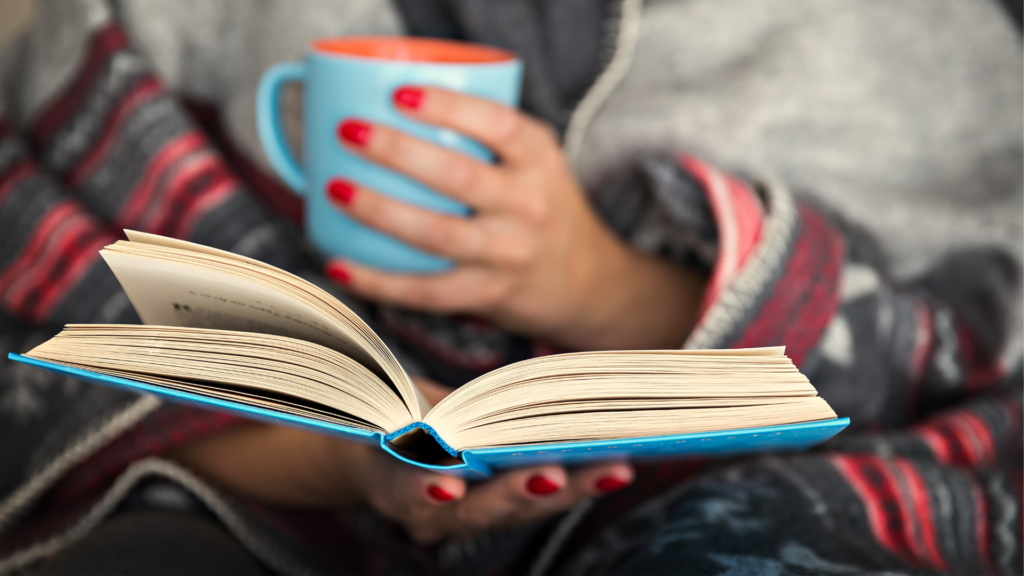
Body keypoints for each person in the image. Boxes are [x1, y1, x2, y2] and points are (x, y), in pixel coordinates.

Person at [0, 0, 1020, 573]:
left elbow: (980, 334)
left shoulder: (905, 38)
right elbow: (57, 300)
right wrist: (354, 460)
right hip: (272, 507)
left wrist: (596, 281)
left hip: (778, 485)